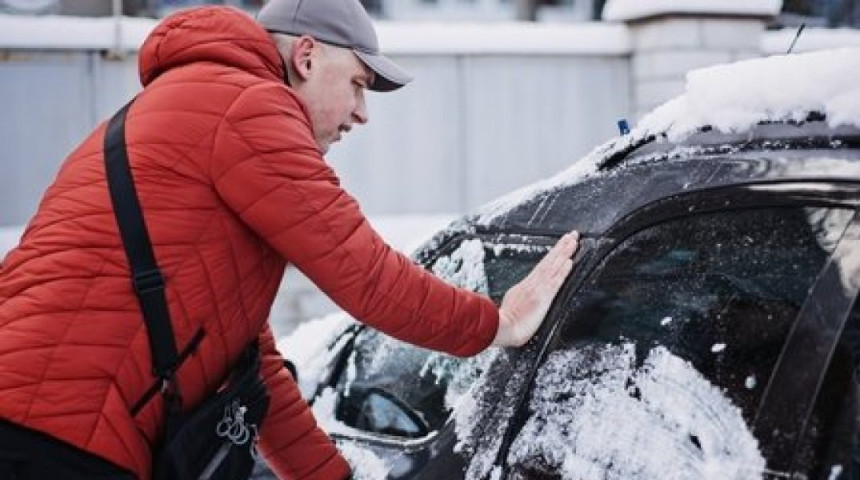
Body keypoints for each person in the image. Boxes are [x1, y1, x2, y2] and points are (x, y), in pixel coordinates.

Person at [0, 0, 579, 478]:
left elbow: (248, 366)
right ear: (306, 56)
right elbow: (365, 274)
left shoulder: (201, 105)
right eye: (357, 84)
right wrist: (498, 323)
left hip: (42, 422)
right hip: (56, 432)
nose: (360, 113)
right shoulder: (248, 106)